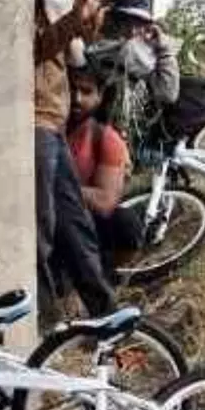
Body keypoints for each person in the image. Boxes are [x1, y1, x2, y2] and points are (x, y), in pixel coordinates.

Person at [31, 0, 117, 320]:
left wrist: (89, 18)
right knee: (42, 227)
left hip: (52, 117)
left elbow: (75, 48)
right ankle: (41, 323)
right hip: (30, 117)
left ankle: (108, 321)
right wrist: (72, 19)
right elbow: (33, 48)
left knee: (75, 225)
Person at [67, 66, 145, 273]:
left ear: (100, 97)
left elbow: (104, 201)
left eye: (86, 91)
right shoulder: (45, 127)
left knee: (126, 225)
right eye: (70, 89)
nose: (76, 98)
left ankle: (101, 272)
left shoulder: (107, 139)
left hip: (80, 220)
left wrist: (57, 187)